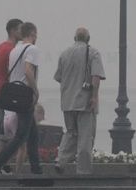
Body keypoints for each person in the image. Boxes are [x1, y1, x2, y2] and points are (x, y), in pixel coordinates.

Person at [0, 22, 42, 175]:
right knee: (21, 134)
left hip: (15, 95)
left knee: (33, 134)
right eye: (36, 34)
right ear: (32, 33)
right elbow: (28, 71)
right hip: (26, 96)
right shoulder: (33, 49)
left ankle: (36, 169)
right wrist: (35, 91)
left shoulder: (15, 50)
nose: (37, 37)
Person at [53, 27, 106, 175]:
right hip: (85, 102)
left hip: (67, 102)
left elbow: (59, 77)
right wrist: (94, 96)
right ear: (88, 39)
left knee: (70, 133)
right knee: (85, 137)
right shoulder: (93, 53)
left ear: (75, 38)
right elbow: (96, 77)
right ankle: (83, 171)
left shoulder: (64, 54)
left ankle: (60, 160)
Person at [0, 18, 23, 169]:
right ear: (13, 31)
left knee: (3, 133)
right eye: (20, 29)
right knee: (5, 136)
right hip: (6, 94)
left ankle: (0, 166)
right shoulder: (12, 50)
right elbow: (13, 73)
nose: (22, 32)